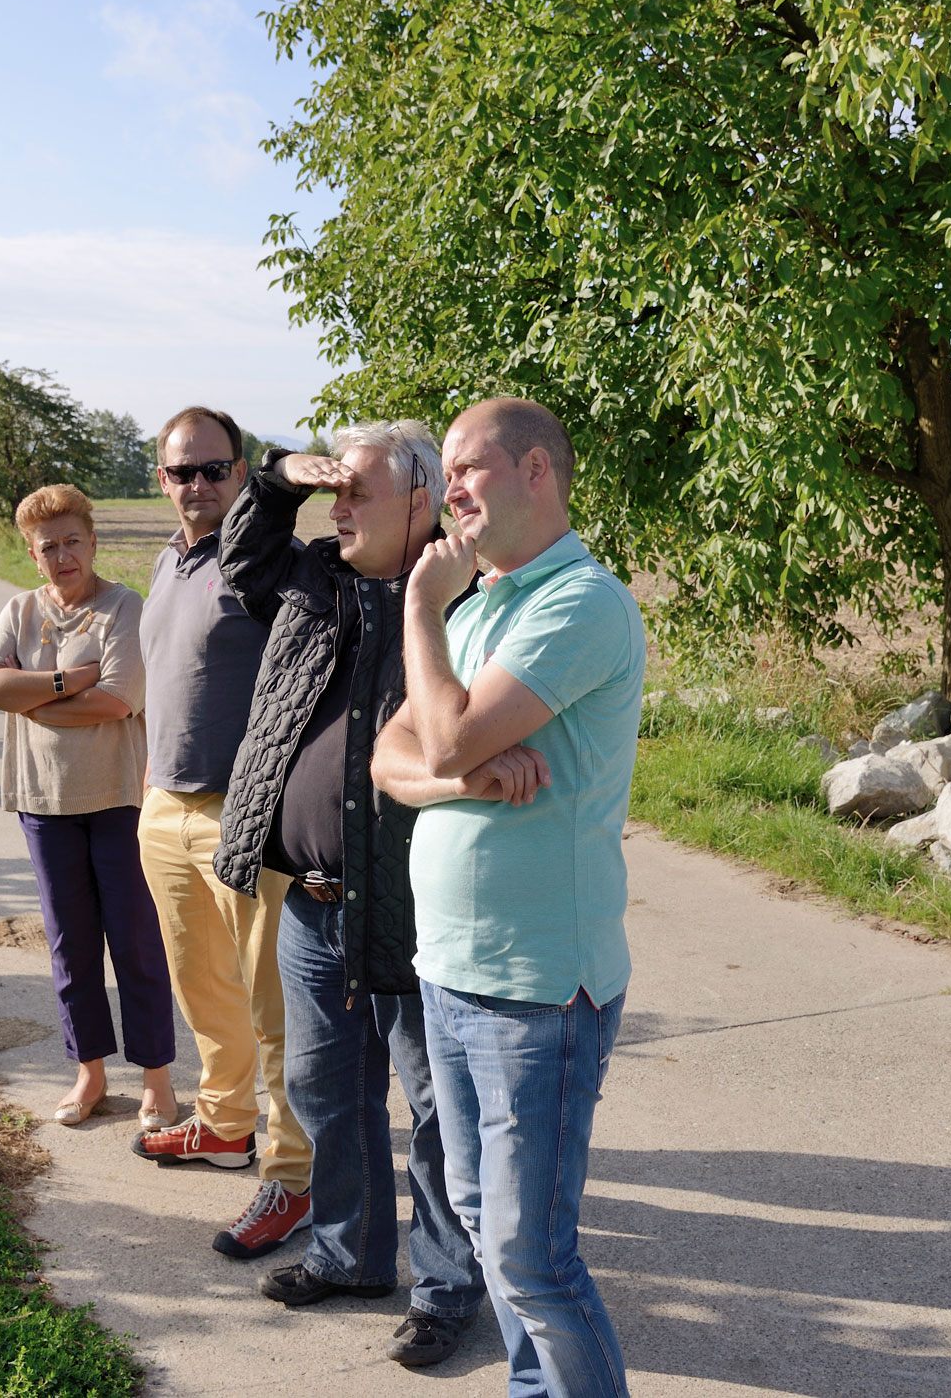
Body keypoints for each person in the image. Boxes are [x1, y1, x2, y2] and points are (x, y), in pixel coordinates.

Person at [214, 422, 516, 1369]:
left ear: (421, 501)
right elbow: (240, 558)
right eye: (334, 493)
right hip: (311, 898)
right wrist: (278, 478)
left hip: (414, 903)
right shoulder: (314, 577)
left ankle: (444, 1290)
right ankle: (349, 1255)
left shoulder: (468, 601)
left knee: (436, 1106)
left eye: (359, 494)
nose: (338, 510)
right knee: (324, 1085)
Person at [373, 398, 645, 1398]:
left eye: (465, 468)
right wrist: (467, 776)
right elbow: (391, 757)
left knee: (534, 1255)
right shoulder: (482, 605)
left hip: (537, 986)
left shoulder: (579, 601)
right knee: (486, 1223)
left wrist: (415, 605)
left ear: (538, 470)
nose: (447, 492)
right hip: (449, 970)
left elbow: (435, 736)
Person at [133, 404, 314, 1259]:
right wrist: (149, 790)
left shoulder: (264, 568)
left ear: (241, 472)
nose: (198, 485)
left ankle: (292, 1177)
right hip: (164, 807)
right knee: (203, 987)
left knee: (273, 1008)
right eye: (182, 471)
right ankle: (223, 1123)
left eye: (214, 469)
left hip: (244, 819)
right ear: (160, 478)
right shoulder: (169, 560)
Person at [0, 483, 176, 1130]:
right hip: (43, 801)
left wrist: (30, 697)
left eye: (71, 542)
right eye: (48, 547)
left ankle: (156, 1083)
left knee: (137, 943)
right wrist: (66, 682)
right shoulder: (19, 610)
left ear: (93, 543)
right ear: (33, 556)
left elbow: (117, 701)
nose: (62, 556)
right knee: (70, 945)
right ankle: (88, 1074)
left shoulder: (124, 608)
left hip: (119, 799)